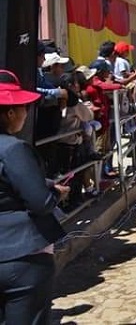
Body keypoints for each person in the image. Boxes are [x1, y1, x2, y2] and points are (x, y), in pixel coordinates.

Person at [0, 70, 67, 324]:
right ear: (9, 113)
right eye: (23, 108)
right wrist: (54, 192)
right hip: (20, 257)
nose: (26, 114)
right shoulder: (13, 148)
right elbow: (41, 203)